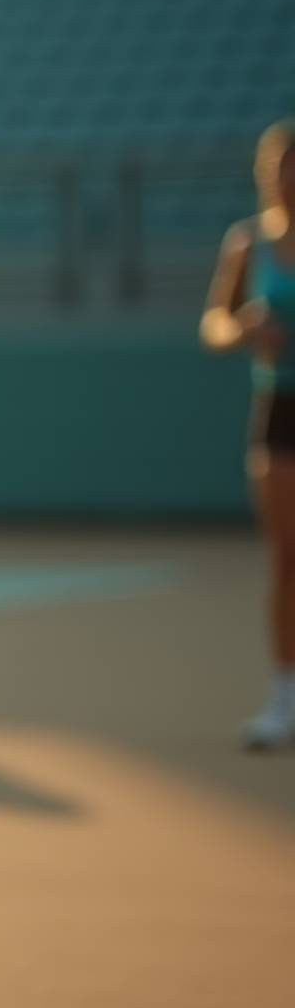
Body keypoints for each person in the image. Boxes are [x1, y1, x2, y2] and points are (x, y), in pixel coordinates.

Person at [202, 118, 295, 752]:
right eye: (284, 172)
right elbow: (213, 324)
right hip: (280, 407)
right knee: (288, 558)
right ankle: (285, 696)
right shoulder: (248, 243)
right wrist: (244, 329)